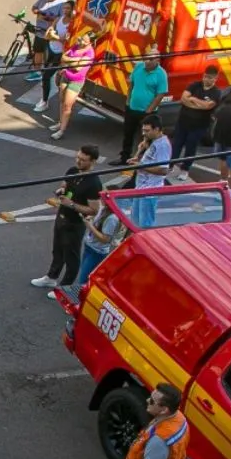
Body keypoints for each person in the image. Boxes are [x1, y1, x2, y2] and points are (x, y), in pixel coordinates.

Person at [34, 145, 103, 290]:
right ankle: (51, 277)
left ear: (93, 162)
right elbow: (65, 185)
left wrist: (71, 204)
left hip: (75, 223)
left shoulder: (93, 183)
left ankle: (66, 286)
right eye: (77, 157)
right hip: (62, 217)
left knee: (71, 256)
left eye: (83, 160)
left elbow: (93, 210)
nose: (78, 161)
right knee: (57, 250)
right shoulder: (72, 171)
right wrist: (61, 190)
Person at [114, 52, 168, 165]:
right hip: (132, 108)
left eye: (150, 59)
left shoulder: (161, 74)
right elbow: (131, 84)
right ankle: (124, 157)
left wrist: (149, 109)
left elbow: (160, 94)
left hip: (147, 112)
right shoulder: (139, 67)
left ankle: (142, 161)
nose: (147, 61)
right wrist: (128, 101)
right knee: (127, 134)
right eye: (146, 59)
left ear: (157, 60)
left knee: (146, 138)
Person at [169, 66, 220, 172]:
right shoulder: (194, 85)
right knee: (176, 145)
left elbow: (208, 106)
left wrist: (193, 99)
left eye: (210, 78)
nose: (207, 79)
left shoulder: (216, 92)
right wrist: (199, 105)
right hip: (183, 122)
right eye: (205, 76)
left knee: (190, 148)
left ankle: (185, 169)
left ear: (215, 78)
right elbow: (183, 99)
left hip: (199, 126)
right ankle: (170, 166)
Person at [49, 30, 97, 141]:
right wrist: (73, 60)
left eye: (83, 41)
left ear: (90, 43)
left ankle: (62, 130)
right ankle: (60, 123)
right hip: (66, 76)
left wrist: (69, 62)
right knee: (61, 100)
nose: (79, 41)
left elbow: (78, 67)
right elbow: (63, 57)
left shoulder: (90, 53)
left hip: (76, 81)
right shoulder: (76, 46)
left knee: (67, 105)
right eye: (80, 38)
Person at [26, 0, 66, 82]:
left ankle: (48, 73)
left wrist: (46, 18)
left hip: (50, 33)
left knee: (49, 55)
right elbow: (34, 7)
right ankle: (37, 71)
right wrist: (36, 11)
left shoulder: (62, 3)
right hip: (40, 31)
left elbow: (62, 19)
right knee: (38, 50)